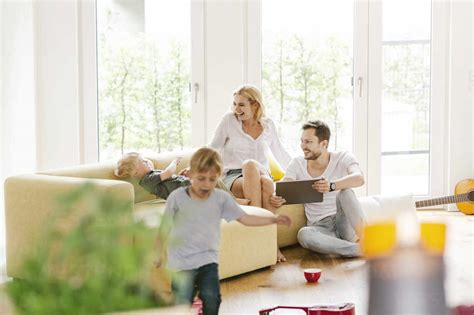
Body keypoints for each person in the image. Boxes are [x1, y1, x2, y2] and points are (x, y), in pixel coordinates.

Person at [155, 147, 291, 315]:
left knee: (212, 300)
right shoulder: (177, 197)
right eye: (201, 177)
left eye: (212, 179)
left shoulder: (221, 198)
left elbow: (245, 218)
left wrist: (272, 219)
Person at [209, 85, 292, 262]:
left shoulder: (268, 125)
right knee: (260, 177)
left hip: (261, 173)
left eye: (241, 105)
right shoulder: (229, 121)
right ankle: (272, 246)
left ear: (255, 105)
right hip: (234, 176)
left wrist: (300, 173)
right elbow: (213, 148)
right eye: (234, 104)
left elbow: (280, 153)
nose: (236, 110)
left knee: (256, 171)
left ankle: (260, 239)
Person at [270, 120, 366, 257]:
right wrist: (277, 197)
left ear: (324, 144)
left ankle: (367, 242)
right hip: (320, 227)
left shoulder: (342, 157)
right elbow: (286, 185)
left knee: (346, 192)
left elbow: (359, 178)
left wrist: (332, 186)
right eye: (302, 141)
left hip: (343, 221)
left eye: (308, 142)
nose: (303, 146)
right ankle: (356, 250)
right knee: (304, 234)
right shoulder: (297, 164)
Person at [114, 152, 249, 204]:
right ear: (136, 173)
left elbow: (169, 180)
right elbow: (167, 174)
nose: (147, 161)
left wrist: (179, 175)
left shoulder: (151, 175)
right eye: (143, 162)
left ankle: (231, 199)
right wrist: (174, 163)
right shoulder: (147, 181)